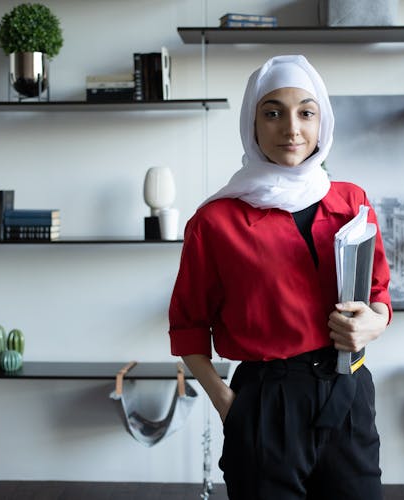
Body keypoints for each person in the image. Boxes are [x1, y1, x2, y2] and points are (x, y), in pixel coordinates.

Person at [168, 54, 392, 500]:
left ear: (322, 121)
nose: (291, 128)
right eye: (272, 112)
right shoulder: (215, 221)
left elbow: (379, 293)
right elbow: (188, 328)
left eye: (306, 112)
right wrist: (229, 406)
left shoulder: (351, 201)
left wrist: (378, 320)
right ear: (252, 122)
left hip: (350, 390)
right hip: (266, 402)